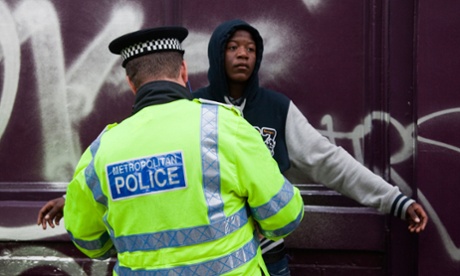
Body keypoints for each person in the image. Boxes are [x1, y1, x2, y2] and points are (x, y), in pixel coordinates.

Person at [60, 26, 304, 275]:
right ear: (184, 71)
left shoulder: (102, 150)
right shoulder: (225, 127)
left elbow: (88, 239)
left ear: (131, 84)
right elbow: (285, 216)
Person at [192, 19, 428, 276]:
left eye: (251, 49)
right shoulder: (194, 108)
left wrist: (395, 200)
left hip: (268, 259)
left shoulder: (277, 109)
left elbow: (328, 161)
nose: (242, 54)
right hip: (212, 258)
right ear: (217, 53)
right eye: (232, 47)